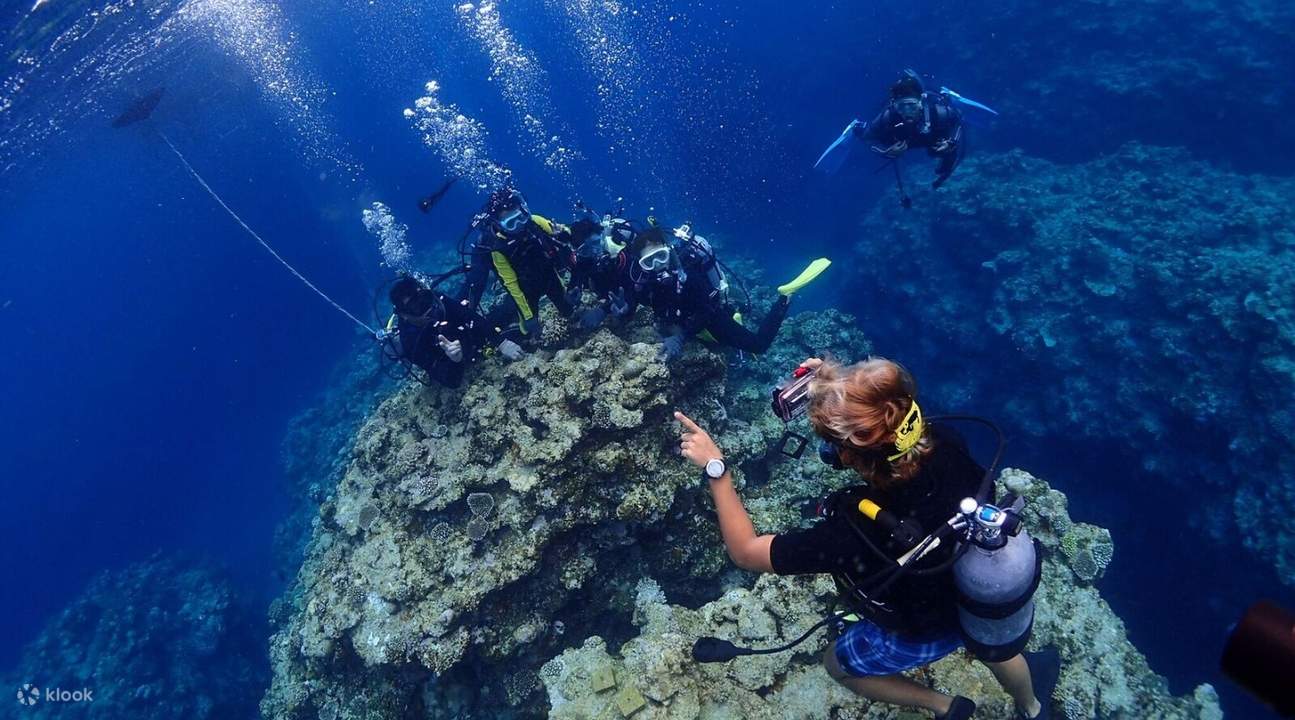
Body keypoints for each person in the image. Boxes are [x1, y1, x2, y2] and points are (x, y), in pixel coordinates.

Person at [673, 357, 1052, 720]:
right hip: (977, 600)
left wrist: (715, 468)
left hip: (927, 626)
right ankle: (1032, 708)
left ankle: (944, 706)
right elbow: (886, 415)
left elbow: (745, 552)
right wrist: (832, 383)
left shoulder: (854, 531)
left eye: (835, 445)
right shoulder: (946, 442)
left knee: (837, 665)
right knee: (991, 647)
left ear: (853, 457)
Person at [628, 223, 828, 361]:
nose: (657, 265)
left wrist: (681, 336)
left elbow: (706, 310)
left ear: (669, 250)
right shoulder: (647, 281)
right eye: (648, 262)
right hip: (688, 320)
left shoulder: (689, 275)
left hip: (710, 316)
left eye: (660, 256)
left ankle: (785, 296)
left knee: (759, 345)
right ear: (641, 265)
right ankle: (737, 312)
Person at [815, 69, 974, 190]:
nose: (907, 112)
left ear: (921, 102)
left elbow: (959, 122)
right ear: (894, 105)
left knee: (943, 150)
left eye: (911, 105)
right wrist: (884, 152)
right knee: (869, 134)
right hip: (900, 139)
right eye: (901, 107)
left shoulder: (938, 112)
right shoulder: (888, 117)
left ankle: (949, 96)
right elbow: (868, 139)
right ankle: (856, 126)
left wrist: (952, 142)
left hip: (932, 136)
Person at [461, 187, 577, 347]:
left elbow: (564, 231)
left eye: (521, 217)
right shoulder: (497, 248)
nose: (519, 225)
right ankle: (500, 332)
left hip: (549, 276)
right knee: (529, 335)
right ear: (499, 224)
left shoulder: (535, 221)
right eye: (510, 223)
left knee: (570, 311)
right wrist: (527, 316)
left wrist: (564, 233)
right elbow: (510, 283)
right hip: (524, 289)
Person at [381, 275, 520, 387]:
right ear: (404, 315)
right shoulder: (410, 342)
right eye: (415, 306)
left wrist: (502, 343)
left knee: (508, 310)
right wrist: (455, 360)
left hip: (467, 337)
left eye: (423, 298)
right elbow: (451, 381)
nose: (426, 307)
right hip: (448, 362)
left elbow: (470, 316)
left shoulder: (437, 300)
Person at [565, 212, 637, 330]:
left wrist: (603, 311)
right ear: (578, 251)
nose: (595, 251)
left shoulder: (620, 254)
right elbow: (576, 278)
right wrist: (572, 294)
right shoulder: (580, 260)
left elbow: (632, 288)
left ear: (602, 237)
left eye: (596, 242)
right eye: (585, 249)